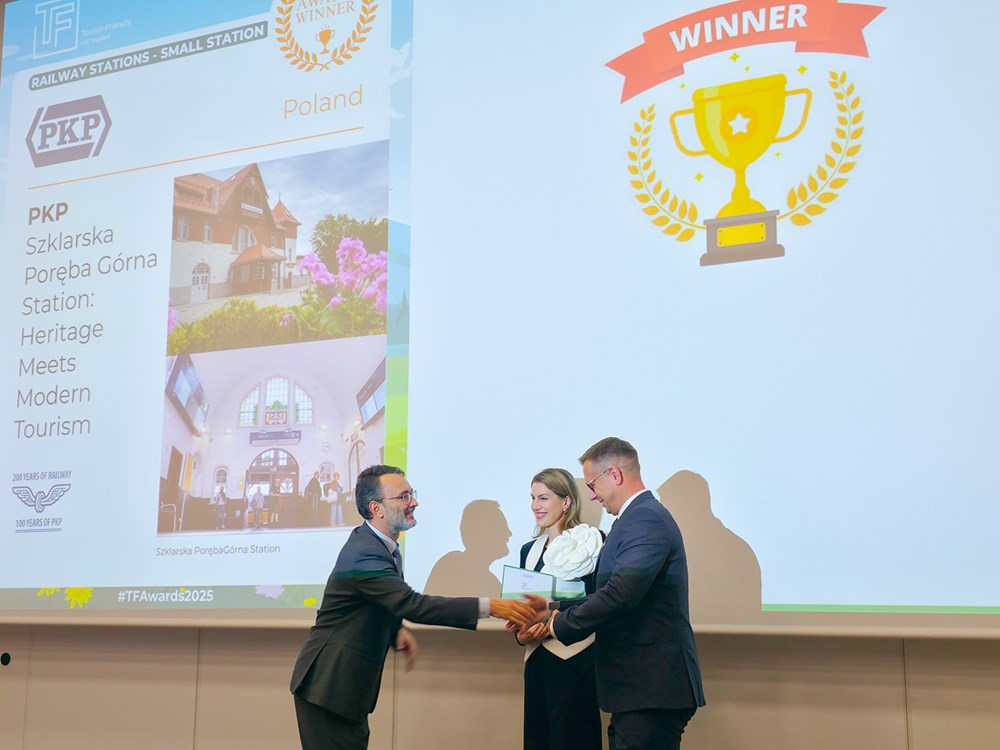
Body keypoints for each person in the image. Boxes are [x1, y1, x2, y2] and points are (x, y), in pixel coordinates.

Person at [289, 464, 546, 750]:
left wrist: (395, 630)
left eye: (412, 494)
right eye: (403, 497)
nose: (414, 502)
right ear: (376, 508)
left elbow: (377, 600)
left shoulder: (381, 546)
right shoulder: (366, 554)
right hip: (327, 686)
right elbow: (411, 604)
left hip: (342, 688)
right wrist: (491, 606)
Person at [547, 438, 705, 750]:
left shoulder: (645, 518)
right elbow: (609, 592)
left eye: (592, 485)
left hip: (650, 687)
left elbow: (620, 594)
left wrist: (556, 625)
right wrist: (552, 607)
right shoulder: (632, 520)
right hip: (636, 689)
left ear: (615, 475)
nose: (592, 496)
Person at [516, 468, 602, 750]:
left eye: (543, 498)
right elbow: (522, 607)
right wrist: (521, 635)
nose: (535, 506)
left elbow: (600, 603)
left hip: (576, 660)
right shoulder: (528, 550)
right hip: (537, 661)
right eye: (532, 498)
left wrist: (555, 617)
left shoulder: (593, 542)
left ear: (566, 501)